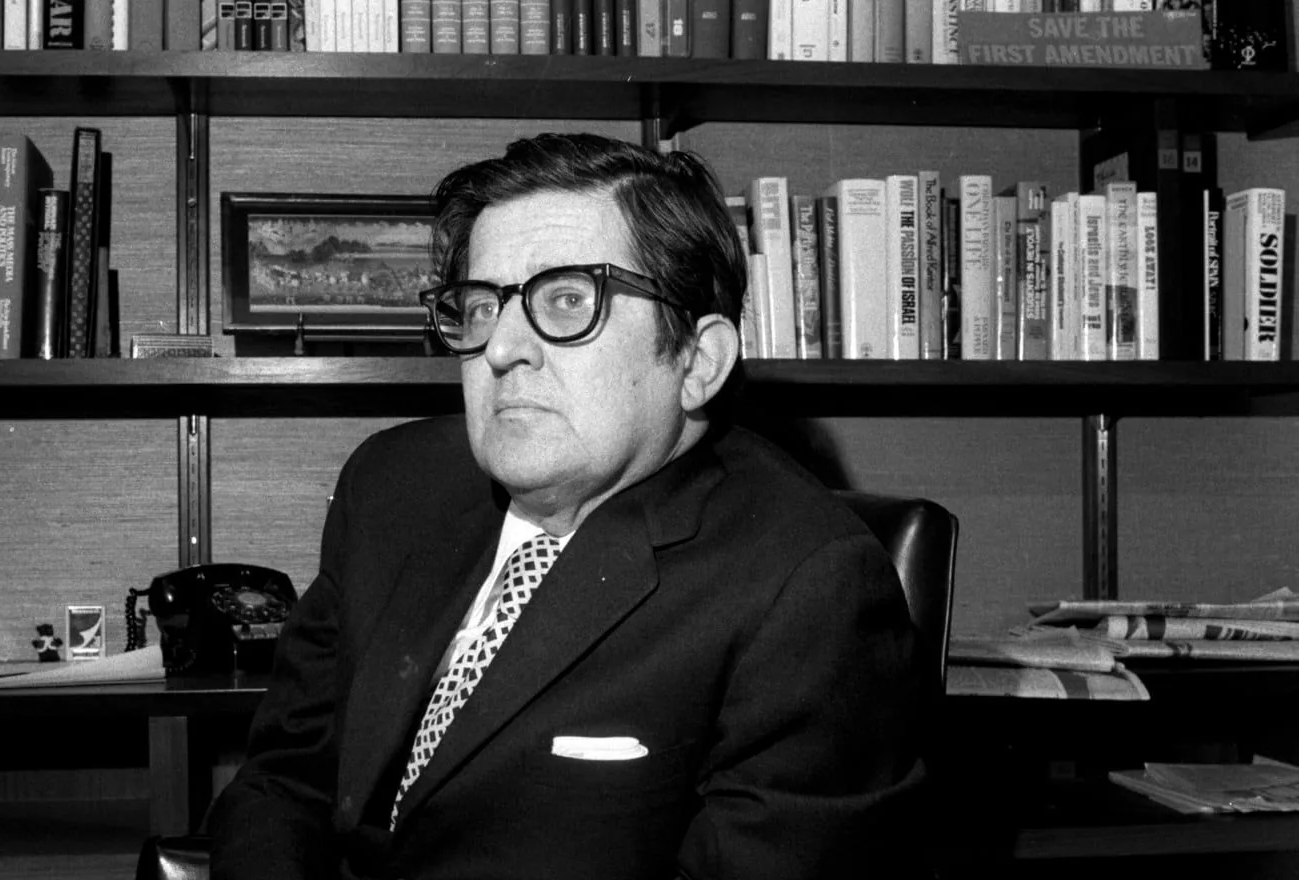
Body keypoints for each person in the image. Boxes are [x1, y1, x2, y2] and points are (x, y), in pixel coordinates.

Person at [207, 132, 926, 880]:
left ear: (697, 361)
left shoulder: (809, 590)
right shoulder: (391, 483)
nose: (502, 348)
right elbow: (282, 780)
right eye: (481, 306)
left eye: (568, 300)